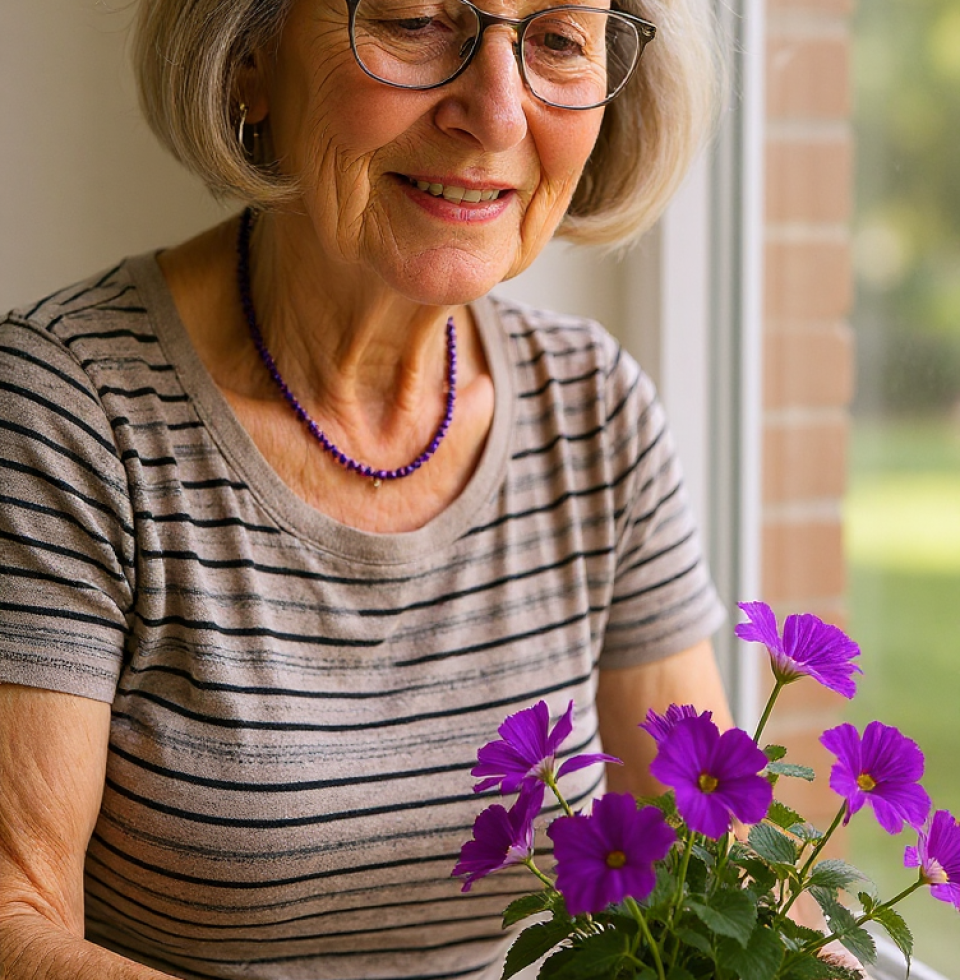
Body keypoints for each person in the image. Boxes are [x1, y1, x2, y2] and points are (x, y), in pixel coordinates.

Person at [0, 0, 734, 977]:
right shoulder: (64, 409)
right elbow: (12, 916)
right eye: (416, 19)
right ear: (250, 57)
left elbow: (720, 872)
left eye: (559, 40)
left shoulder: (593, 409)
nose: (498, 113)